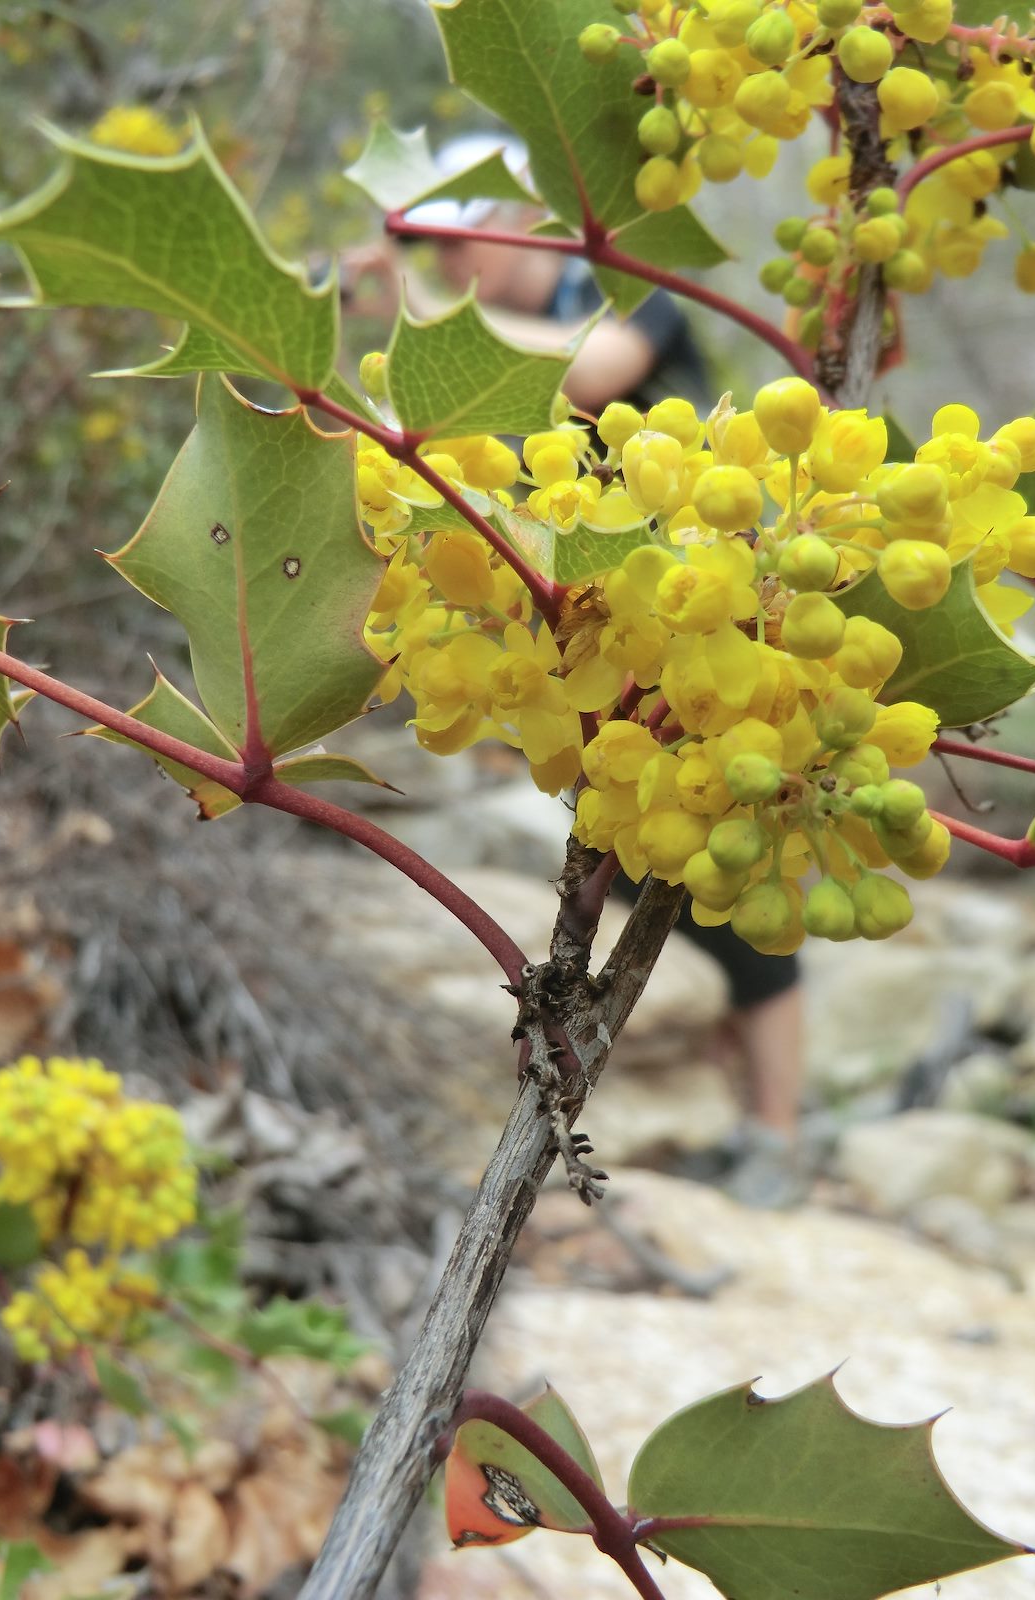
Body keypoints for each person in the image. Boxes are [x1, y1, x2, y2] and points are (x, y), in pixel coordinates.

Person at [343, 136, 807, 1203]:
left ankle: (778, 1135)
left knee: (732, 868)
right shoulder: (500, 326)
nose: (445, 272)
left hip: (719, 626)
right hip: (611, 654)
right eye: (422, 248)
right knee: (645, 866)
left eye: (453, 245)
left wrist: (423, 314)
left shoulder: (624, 291)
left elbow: (594, 371)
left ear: (523, 226)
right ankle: (685, 1111)